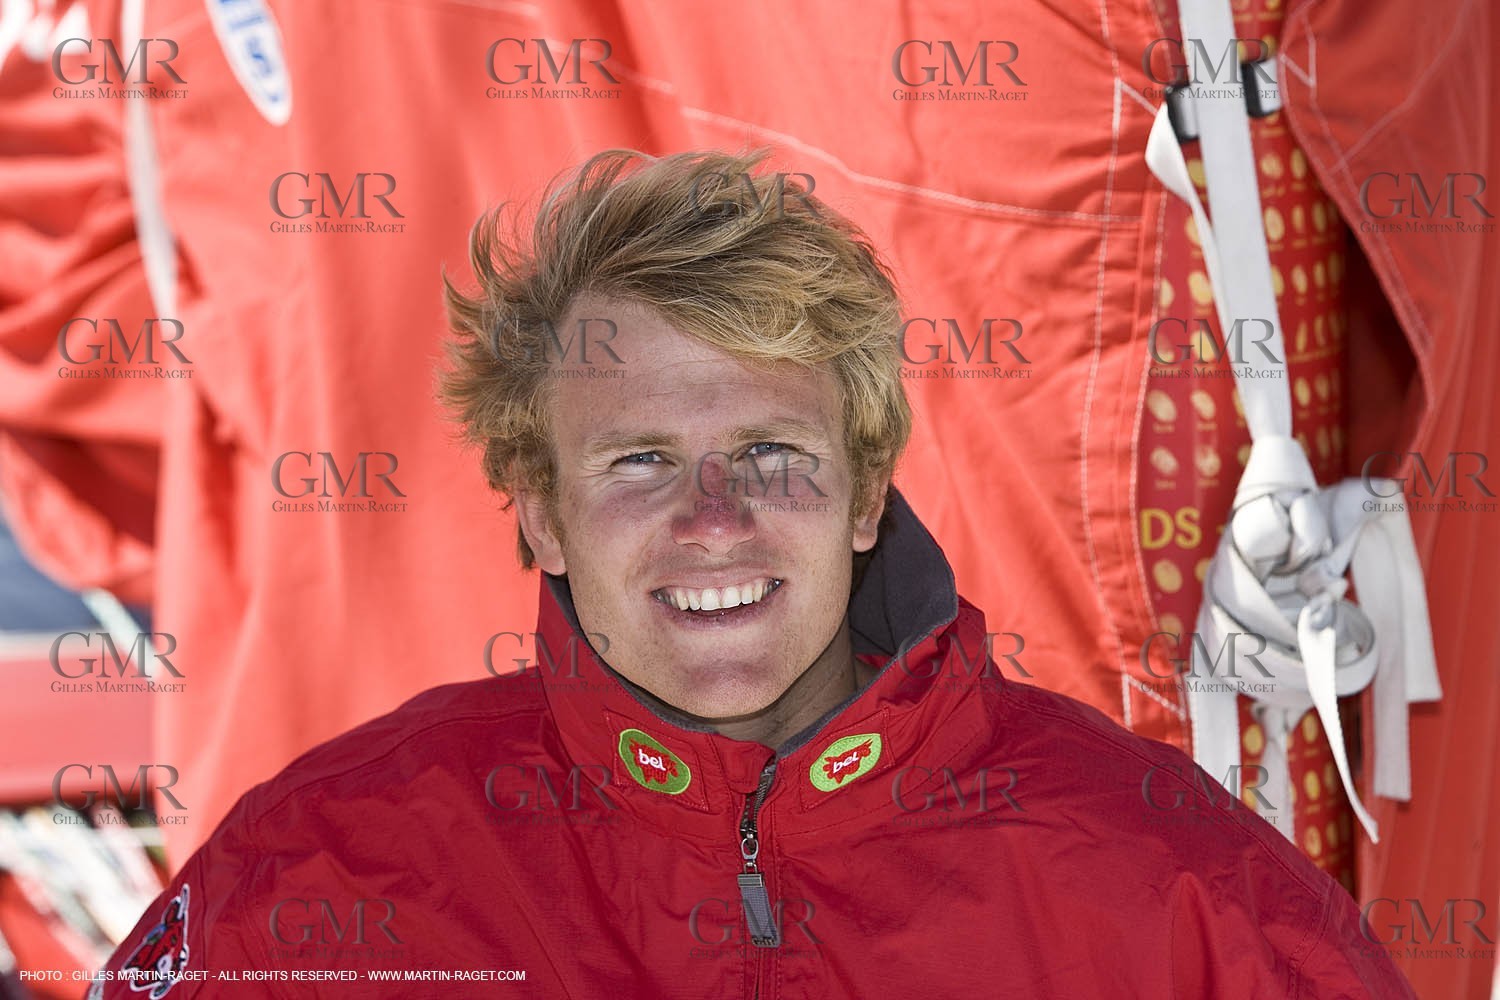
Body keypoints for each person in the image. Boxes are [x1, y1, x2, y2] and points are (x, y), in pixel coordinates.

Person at [92, 149, 1414, 998]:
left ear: (865, 492)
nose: (713, 520)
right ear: (540, 514)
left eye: (772, 455)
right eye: (640, 464)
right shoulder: (322, 875)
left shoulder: (1173, 892)